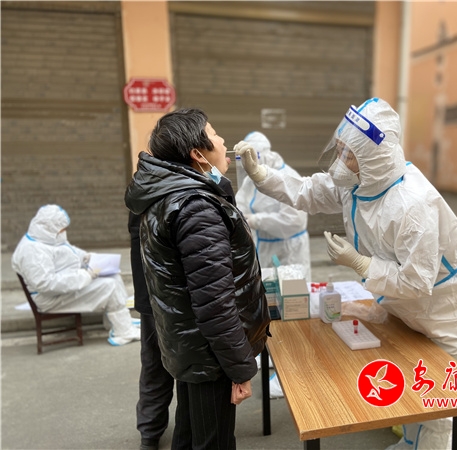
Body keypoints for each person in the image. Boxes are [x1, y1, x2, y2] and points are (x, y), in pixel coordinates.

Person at [235, 98, 457, 450]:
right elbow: (308, 191)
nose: (341, 161)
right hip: (404, 300)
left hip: (449, 307)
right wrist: (262, 175)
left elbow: (417, 281)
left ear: (373, 158)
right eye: (339, 149)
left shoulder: (412, 206)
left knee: (440, 399)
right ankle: (411, 444)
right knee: (412, 380)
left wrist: (361, 264)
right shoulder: (359, 182)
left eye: (349, 154)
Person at [124, 108, 271, 450]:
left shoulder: (168, 196)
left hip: (191, 345)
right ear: (197, 154)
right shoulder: (196, 208)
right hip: (209, 355)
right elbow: (215, 303)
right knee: (212, 441)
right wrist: (240, 368)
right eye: (214, 134)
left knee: (190, 435)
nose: (222, 140)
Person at [11, 204, 140, 346]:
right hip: (51, 299)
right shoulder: (32, 252)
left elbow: (67, 251)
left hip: (65, 287)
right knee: (110, 286)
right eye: (62, 230)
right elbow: (46, 284)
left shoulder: (46, 237)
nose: (64, 232)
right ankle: (123, 331)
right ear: (51, 228)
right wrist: (85, 276)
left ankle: (118, 322)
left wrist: (86, 258)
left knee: (113, 276)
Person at [235, 131, 311, 279]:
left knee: (291, 289)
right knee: (267, 287)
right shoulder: (251, 178)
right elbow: (242, 202)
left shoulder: (288, 176)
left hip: (288, 250)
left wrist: (256, 220)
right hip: (262, 245)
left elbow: (294, 220)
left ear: (262, 155)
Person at [129, 212, 174, 450]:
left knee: (156, 364)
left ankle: (151, 431)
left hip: (156, 294)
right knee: (158, 363)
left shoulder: (141, 196)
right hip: (164, 294)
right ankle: (150, 432)